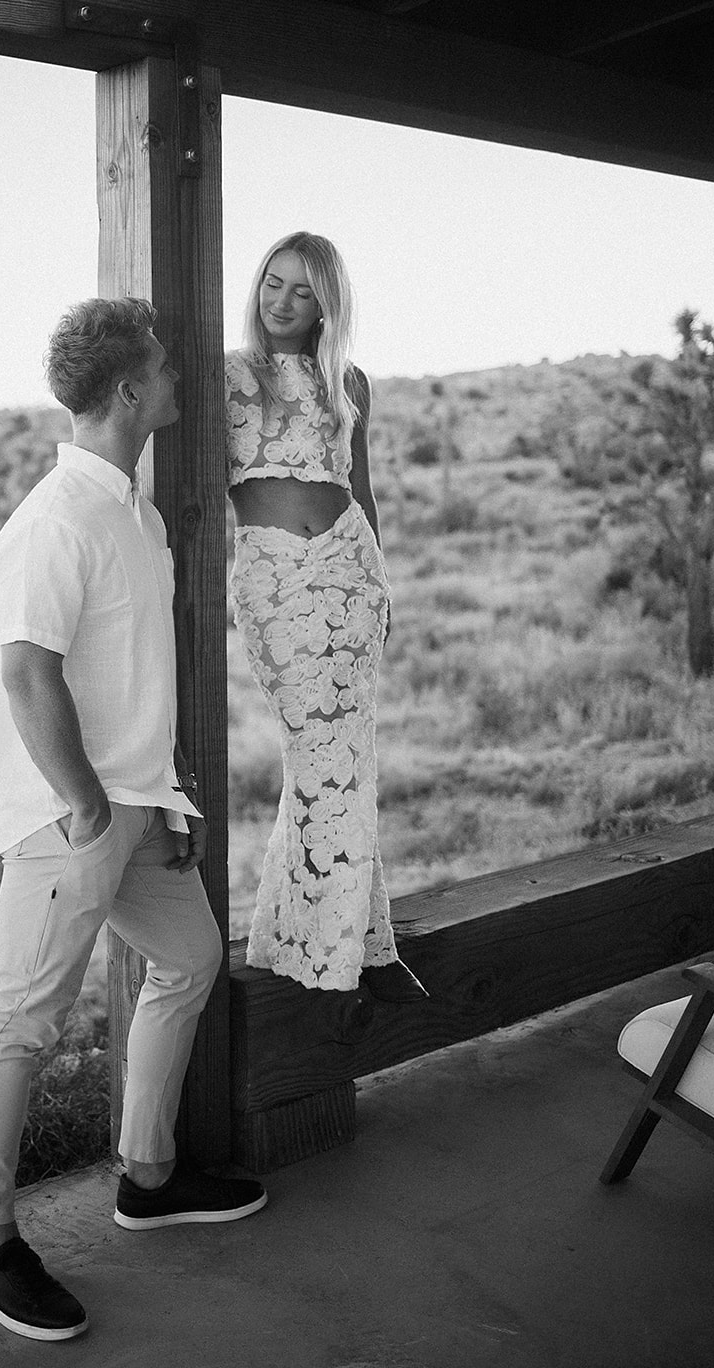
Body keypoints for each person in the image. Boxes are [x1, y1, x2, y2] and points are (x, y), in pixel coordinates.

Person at [0, 297, 266, 1343]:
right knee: (23, 1022)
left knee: (188, 957)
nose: (180, 381)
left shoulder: (129, 509)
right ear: (129, 390)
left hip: (138, 809)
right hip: (72, 820)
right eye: (167, 369)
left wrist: (166, 791)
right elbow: (25, 677)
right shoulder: (51, 522)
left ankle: (145, 1175)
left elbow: (130, 673)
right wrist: (87, 802)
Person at [225, 233, 427, 1003]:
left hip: (349, 571)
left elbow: (360, 489)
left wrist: (382, 585)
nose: (281, 302)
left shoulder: (348, 382)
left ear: (325, 304)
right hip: (274, 577)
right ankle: (323, 942)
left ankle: (331, 937)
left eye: (301, 291)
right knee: (316, 753)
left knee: (349, 756)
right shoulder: (228, 376)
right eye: (273, 283)